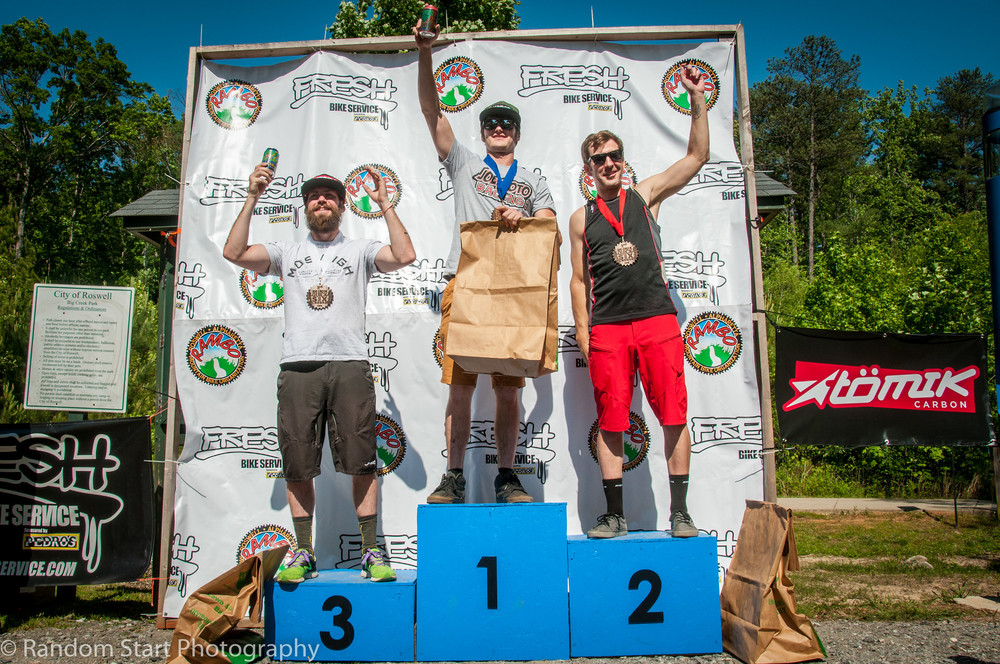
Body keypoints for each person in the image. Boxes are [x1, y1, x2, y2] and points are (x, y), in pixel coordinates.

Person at [223, 162, 416, 581]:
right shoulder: (285, 252)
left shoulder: (360, 250)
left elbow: (404, 255)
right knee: (297, 462)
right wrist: (253, 195)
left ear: (343, 206)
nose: (321, 200)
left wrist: (384, 205)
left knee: (361, 461)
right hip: (298, 366)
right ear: (306, 206)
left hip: (349, 364)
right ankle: (304, 552)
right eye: (313, 195)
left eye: (329, 195)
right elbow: (234, 253)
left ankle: (371, 551)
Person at [414, 22, 557, 504]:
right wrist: (425, 53)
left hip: (515, 293)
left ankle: (507, 475)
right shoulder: (464, 163)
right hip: (467, 284)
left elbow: (550, 222)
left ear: (517, 133)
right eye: (492, 123)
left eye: (507, 124)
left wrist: (528, 213)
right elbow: (432, 111)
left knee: (508, 391)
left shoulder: (533, 178)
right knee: (459, 385)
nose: (499, 128)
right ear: (482, 132)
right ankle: (453, 475)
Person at [568, 64, 710, 539]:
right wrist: (583, 330)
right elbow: (575, 280)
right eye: (598, 158)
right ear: (588, 169)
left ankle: (681, 512)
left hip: (657, 321)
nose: (608, 163)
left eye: (614, 156)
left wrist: (696, 100)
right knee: (611, 421)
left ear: (622, 161)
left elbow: (697, 155)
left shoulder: (646, 196)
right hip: (608, 326)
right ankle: (614, 515)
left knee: (672, 415)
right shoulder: (579, 218)